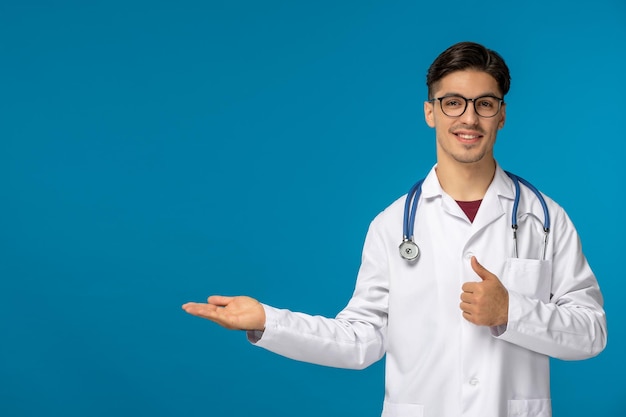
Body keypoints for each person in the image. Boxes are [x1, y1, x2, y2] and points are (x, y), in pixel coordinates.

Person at [182, 41, 607, 417]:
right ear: (430, 112)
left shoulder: (545, 220)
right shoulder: (391, 226)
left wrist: (511, 311)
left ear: (502, 115)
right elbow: (360, 340)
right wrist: (267, 321)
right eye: (453, 102)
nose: (469, 118)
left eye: (485, 103)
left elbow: (592, 333)